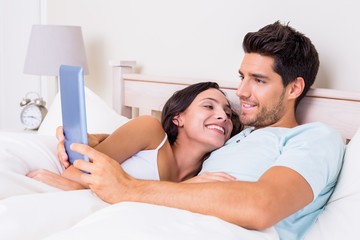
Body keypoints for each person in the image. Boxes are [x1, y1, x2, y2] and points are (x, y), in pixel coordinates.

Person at [59, 21, 345, 240]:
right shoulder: (231, 139)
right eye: (242, 77)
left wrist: (128, 189)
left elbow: (262, 206)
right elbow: (171, 148)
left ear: (294, 87)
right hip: (156, 221)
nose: (242, 92)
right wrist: (96, 139)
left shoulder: (316, 137)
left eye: (258, 80)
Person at [28, 82, 243, 190]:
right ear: (178, 118)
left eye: (228, 113)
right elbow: (75, 174)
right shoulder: (149, 130)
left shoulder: (200, 180)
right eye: (208, 106)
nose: (222, 116)